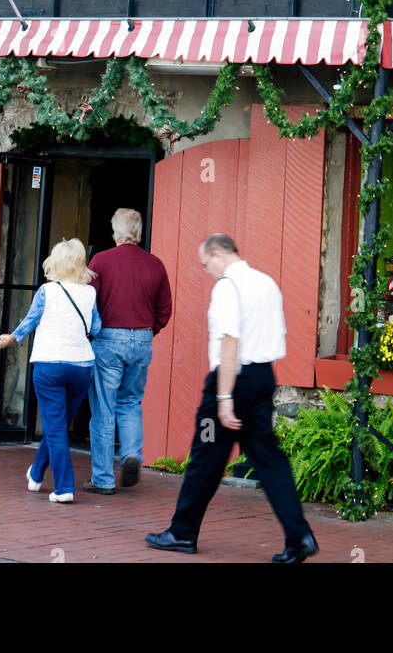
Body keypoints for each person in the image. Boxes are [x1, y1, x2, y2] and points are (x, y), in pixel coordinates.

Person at [146, 232, 318, 563]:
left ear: (218, 254)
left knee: (204, 454)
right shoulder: (267, 283)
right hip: (263, 378)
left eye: (205, 261)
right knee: (269, 458)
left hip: (229, 384)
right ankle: (299, 536)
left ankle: (182, 533)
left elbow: (229, 340)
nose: (206, 268)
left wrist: (224, 398)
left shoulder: (228, 287)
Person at [0, 238, 101, 503]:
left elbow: (31, 320)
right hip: (81, 367)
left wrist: (11, 338)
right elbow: (96, 328)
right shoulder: (90, 293)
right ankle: (37, 473)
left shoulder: (47, 291)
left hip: (50, 365)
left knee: (55, 427)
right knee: (58, 425)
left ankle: (64, 488)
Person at [85, 207, 172, 495]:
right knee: (131, 401)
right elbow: (165, 309)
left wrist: (93, 332)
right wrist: (149, 331)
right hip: (143, 339)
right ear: (139, 231)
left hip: (108, 339)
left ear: (115, 230)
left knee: (103, 409)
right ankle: (132, 454)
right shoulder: (155, 264)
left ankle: (103, 479)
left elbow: (89, 301)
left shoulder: (101, 261)